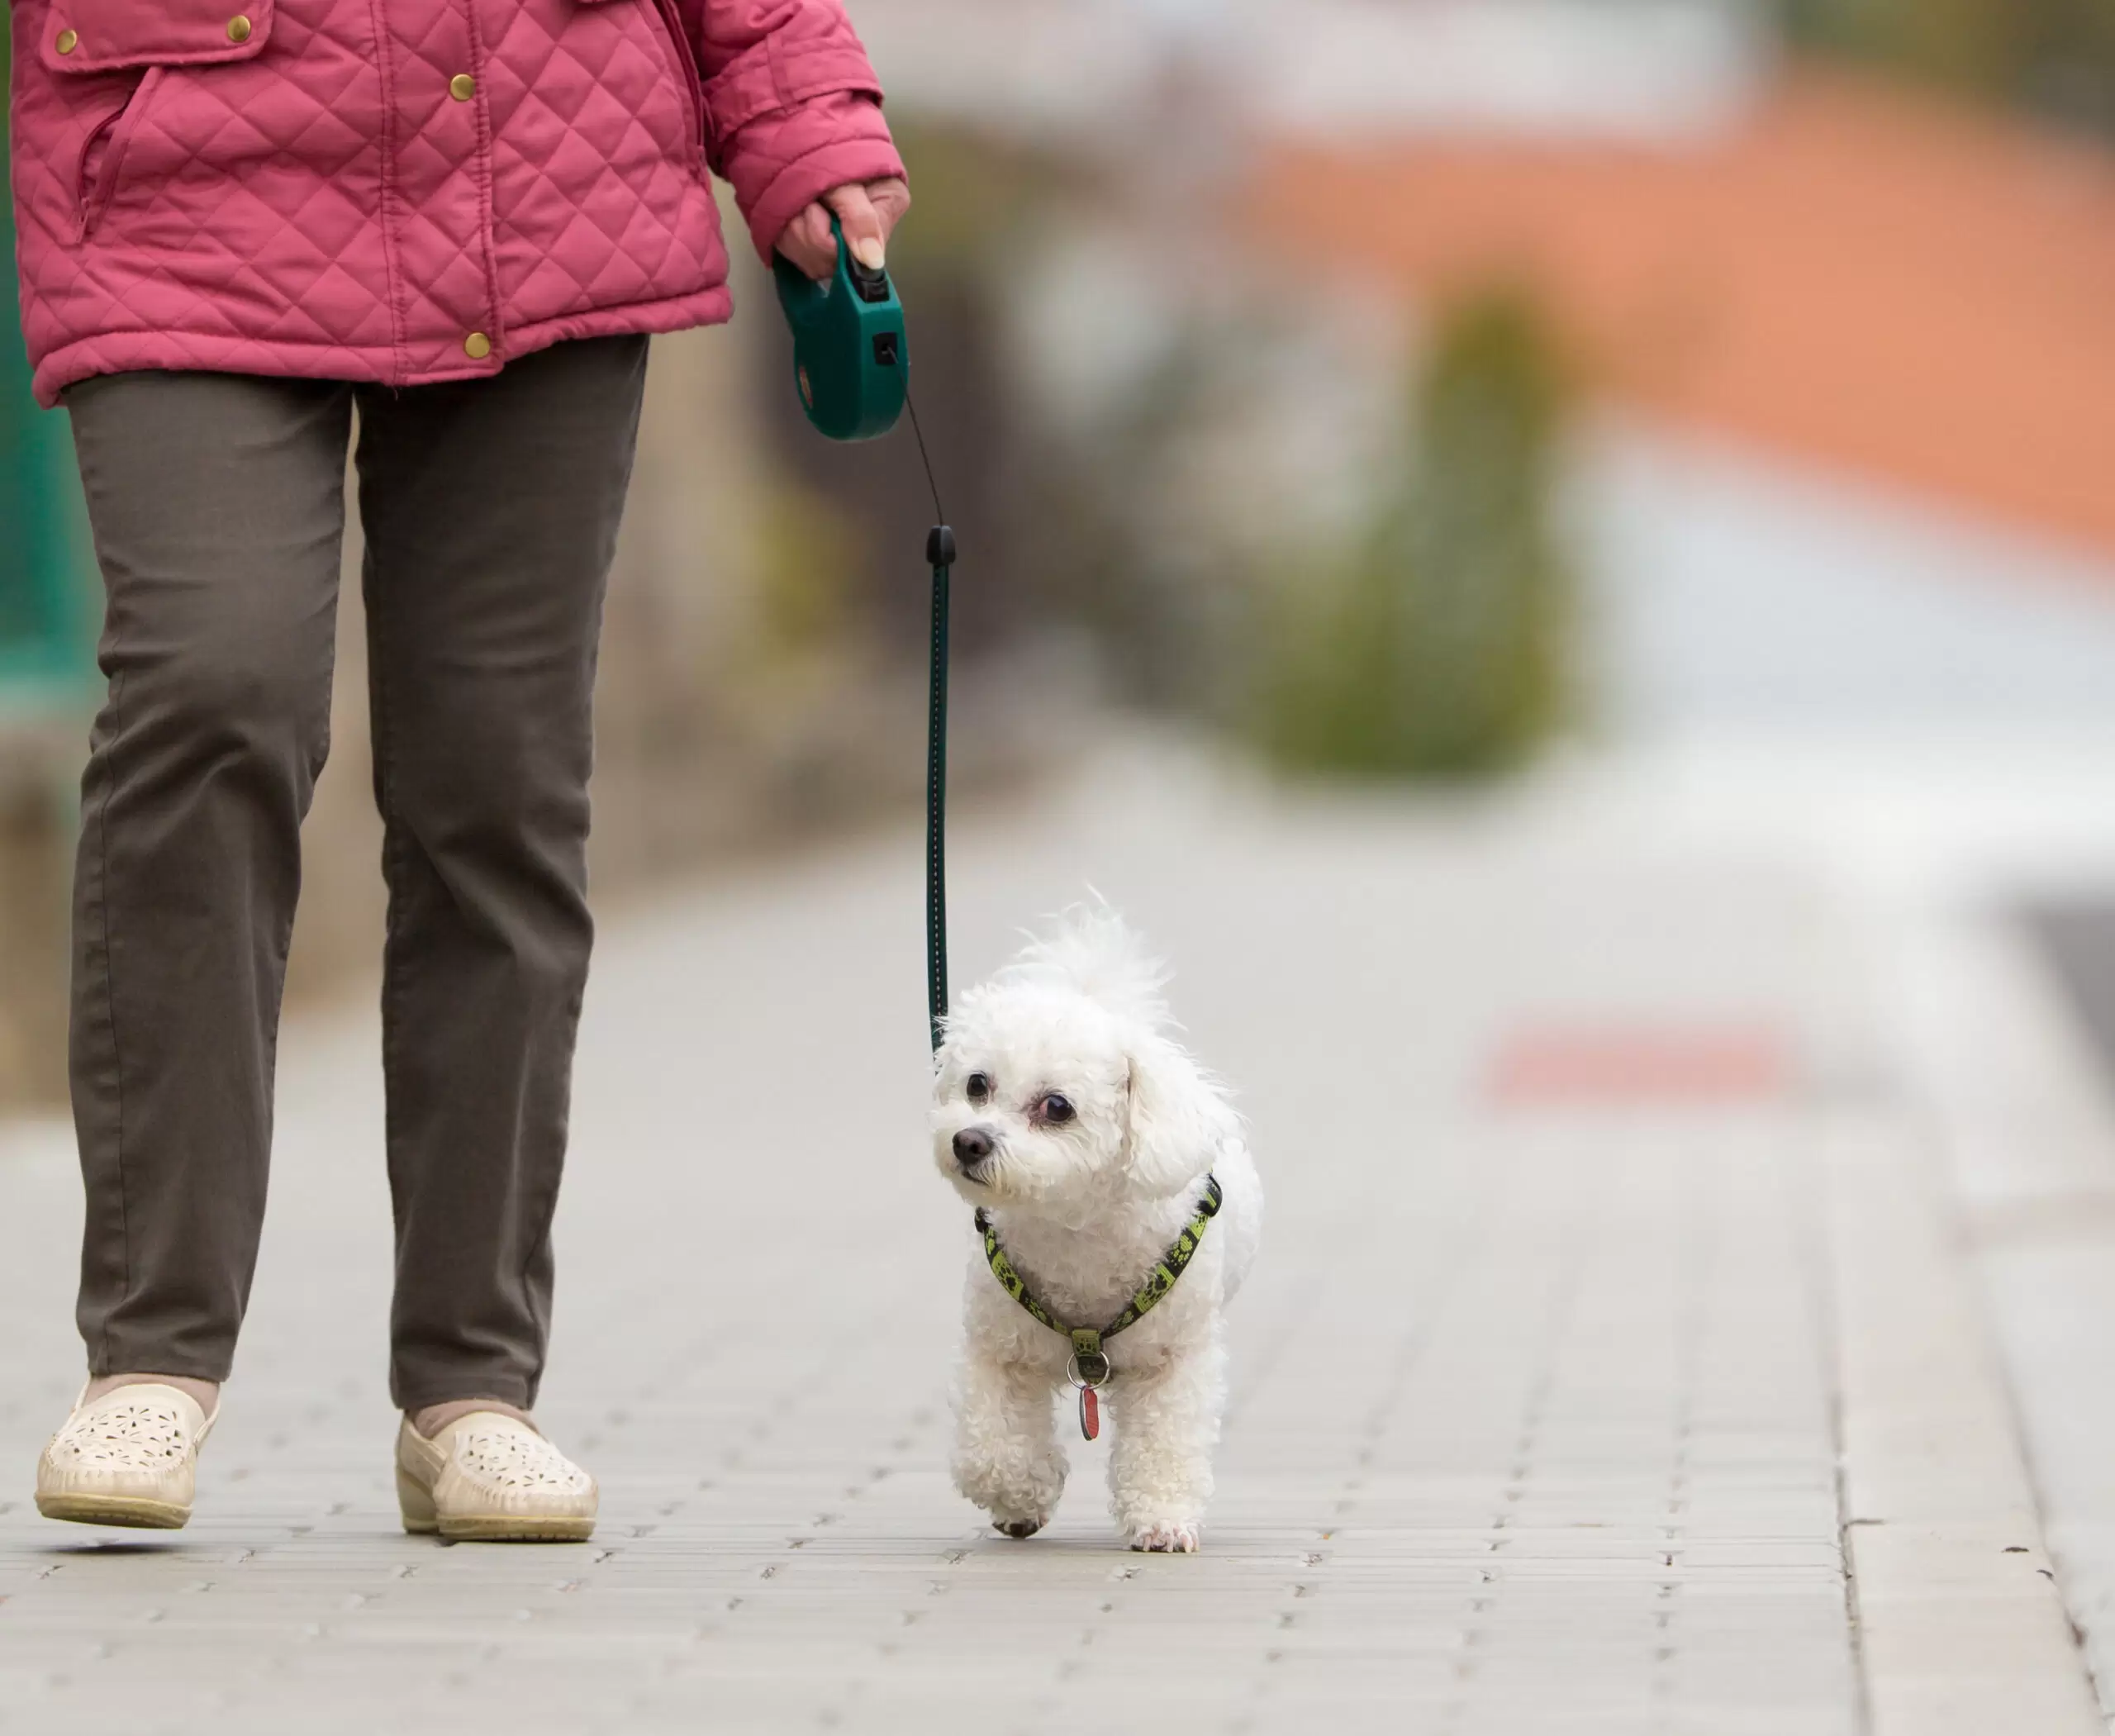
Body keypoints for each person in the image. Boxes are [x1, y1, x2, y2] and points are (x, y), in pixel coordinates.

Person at [10, 0, 906, 1541]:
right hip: (185, 153)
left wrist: (804, 123)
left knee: (498, 784)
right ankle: (149, 1354)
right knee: (213, 696)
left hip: (542, 155)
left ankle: (471, 1389)